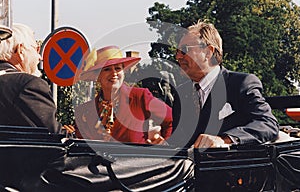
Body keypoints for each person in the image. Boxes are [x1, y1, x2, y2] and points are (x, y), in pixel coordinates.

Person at [170, 20, 279, 148]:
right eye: (177, 51)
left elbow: (268, 124)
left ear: (208, 52)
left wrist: (225, 140)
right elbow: (180, 143)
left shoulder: (241, 84)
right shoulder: (181, 93)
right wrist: (162, 144)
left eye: (184, 50)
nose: (178, 56)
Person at [74, 45, 172, 144]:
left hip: (137, 159)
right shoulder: (83, 112)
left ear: (123, 72)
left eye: (117, 68)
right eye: (107, 69)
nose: (114, 73)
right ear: (97, 76)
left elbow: (172, 119)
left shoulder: (140, 97)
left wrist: (164, 146)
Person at [0, 23, 61, 133]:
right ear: (20, 50)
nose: (40, 57)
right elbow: (54, 137)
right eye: (36, 49)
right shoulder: (28, 86)